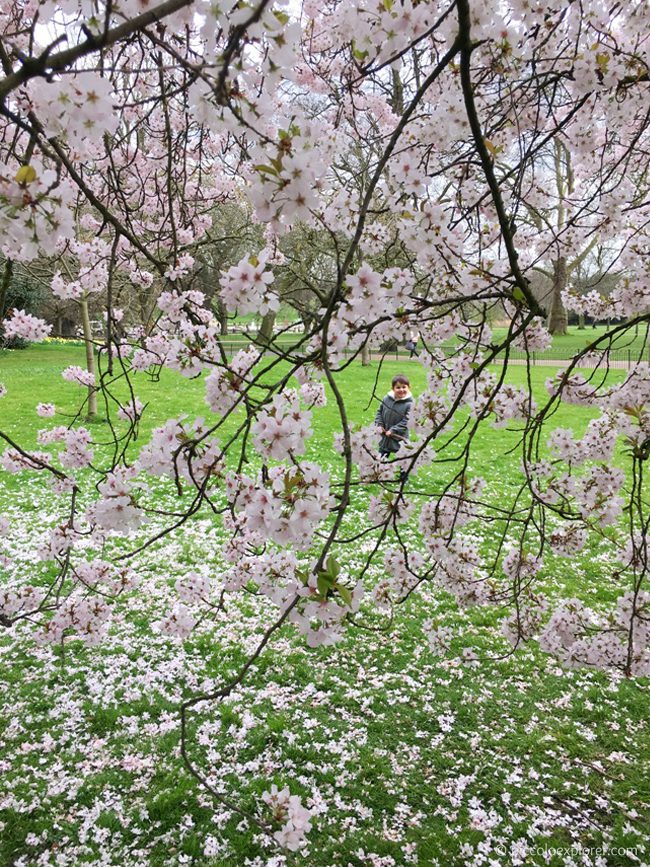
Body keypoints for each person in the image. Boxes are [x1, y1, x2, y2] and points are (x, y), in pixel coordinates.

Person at [375, 374, 414, 479]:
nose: (401, 390)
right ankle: (378, 475)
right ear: (393, 389)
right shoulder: (386, 399)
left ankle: (403, 478)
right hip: (385, 436)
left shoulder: (410, 404)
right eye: (398, 387)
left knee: (403, 458)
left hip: (399, 437)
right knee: (382, 456)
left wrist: (393, 430)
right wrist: (379, 424)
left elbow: (406, 421)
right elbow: (380, 412)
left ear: (409, 387)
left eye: (404, 387)